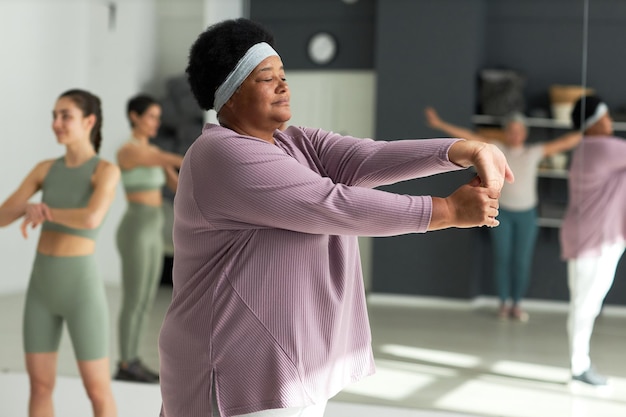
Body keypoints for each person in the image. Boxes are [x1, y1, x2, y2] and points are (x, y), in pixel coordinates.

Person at [158, 18, 513, 417]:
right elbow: (330, 203)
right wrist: (447, 211)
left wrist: (461, 149)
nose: (283, 85)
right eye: (265, 78)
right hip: (234, 368)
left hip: (293, 365)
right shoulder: (221, 155)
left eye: (283, 75)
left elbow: (368, 157)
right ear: (229, 95)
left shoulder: (296, 143)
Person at [0, 89, 119, 417]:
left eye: (65, 115)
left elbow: (91, 217)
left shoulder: (105, 170)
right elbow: (2, 215)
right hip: (41, 285)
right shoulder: (44, 169)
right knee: (39, 385)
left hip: (80, 287)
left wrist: (43, 211)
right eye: (54, 116)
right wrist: (28, 207)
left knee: (96, 388)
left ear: (89, 121)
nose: (56, 123)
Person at [425, 107, 582, 321]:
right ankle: (503, 303)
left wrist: (590, 129)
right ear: (506, 133)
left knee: (522, 261)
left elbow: (564, 143)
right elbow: (469, 138)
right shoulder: (496, 149)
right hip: (502, 214)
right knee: (503, 258)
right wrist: (440, 124)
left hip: (527, 215)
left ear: (525, 133)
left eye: (519, 130)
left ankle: (517, 304)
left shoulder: (533, 152)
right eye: (511, 130)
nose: (515, 134)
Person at [114, 94, 183, 383]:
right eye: (152, 116)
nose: (157, 122)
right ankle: (125, 363)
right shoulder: (128, 151)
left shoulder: (152, 154)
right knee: (133, 299)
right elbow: (169, 159)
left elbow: (178, 183)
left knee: (146, 300)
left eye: (158, 117)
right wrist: (205, 154)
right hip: (136, 228)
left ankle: (134, 360)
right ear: (134, 117)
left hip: (155, 228)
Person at [560, 95, 626, 386]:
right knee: (585, 305)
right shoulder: (602, 148)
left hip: (589, 237)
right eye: (607, 117)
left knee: (584, 304)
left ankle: (580, 363)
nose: (610, 123)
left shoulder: (586, 148)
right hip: (594, 240)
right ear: (597, 121)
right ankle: (579, 366)